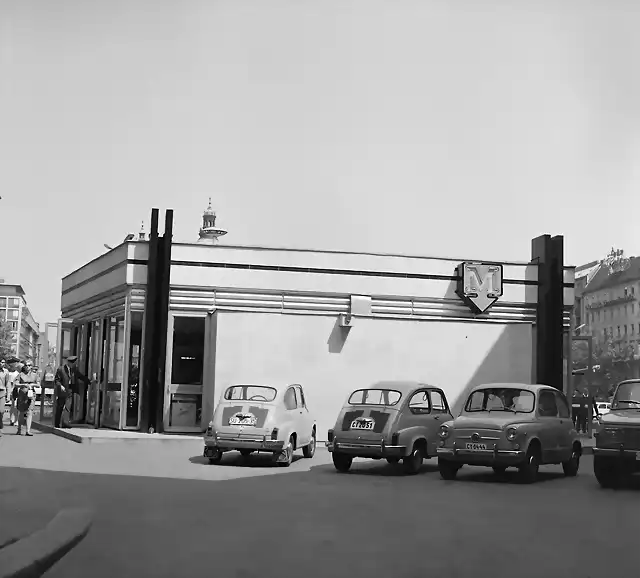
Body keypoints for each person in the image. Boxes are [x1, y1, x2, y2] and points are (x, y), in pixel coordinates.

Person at [54, 355, 90, 428]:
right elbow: (56, 380)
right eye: (72, 363)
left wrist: (90, 381)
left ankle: (65, 423)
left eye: (74, 364)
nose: (73, 365)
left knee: (68, 406)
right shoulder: (61, 369)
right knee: (60, 407)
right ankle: (57, 423)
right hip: (62, 391)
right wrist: (60, 386)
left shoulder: (74, 369)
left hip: (70, 390)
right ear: (69, 363)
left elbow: (80, 376)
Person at [15, 359, 38, 436]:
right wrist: (23, 385)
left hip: (31, 395)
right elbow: (16, 384)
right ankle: (19, 429)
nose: (27, 367)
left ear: (31, 366)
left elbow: (38, 384)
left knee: (29, 411)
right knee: (21, 412)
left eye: (29, 365)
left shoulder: (34, 375)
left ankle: (28, 430)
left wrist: (32, 385)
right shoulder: (21, 374)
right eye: (26, 365)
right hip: (22, 395)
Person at [0, 358, 8, 437]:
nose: (1, 363)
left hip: (2, 392)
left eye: (3, 362)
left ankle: (0, 425)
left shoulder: (6, 372)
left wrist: (8, 395)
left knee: (1, 411)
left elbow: (7, 383)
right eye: (1, 362)